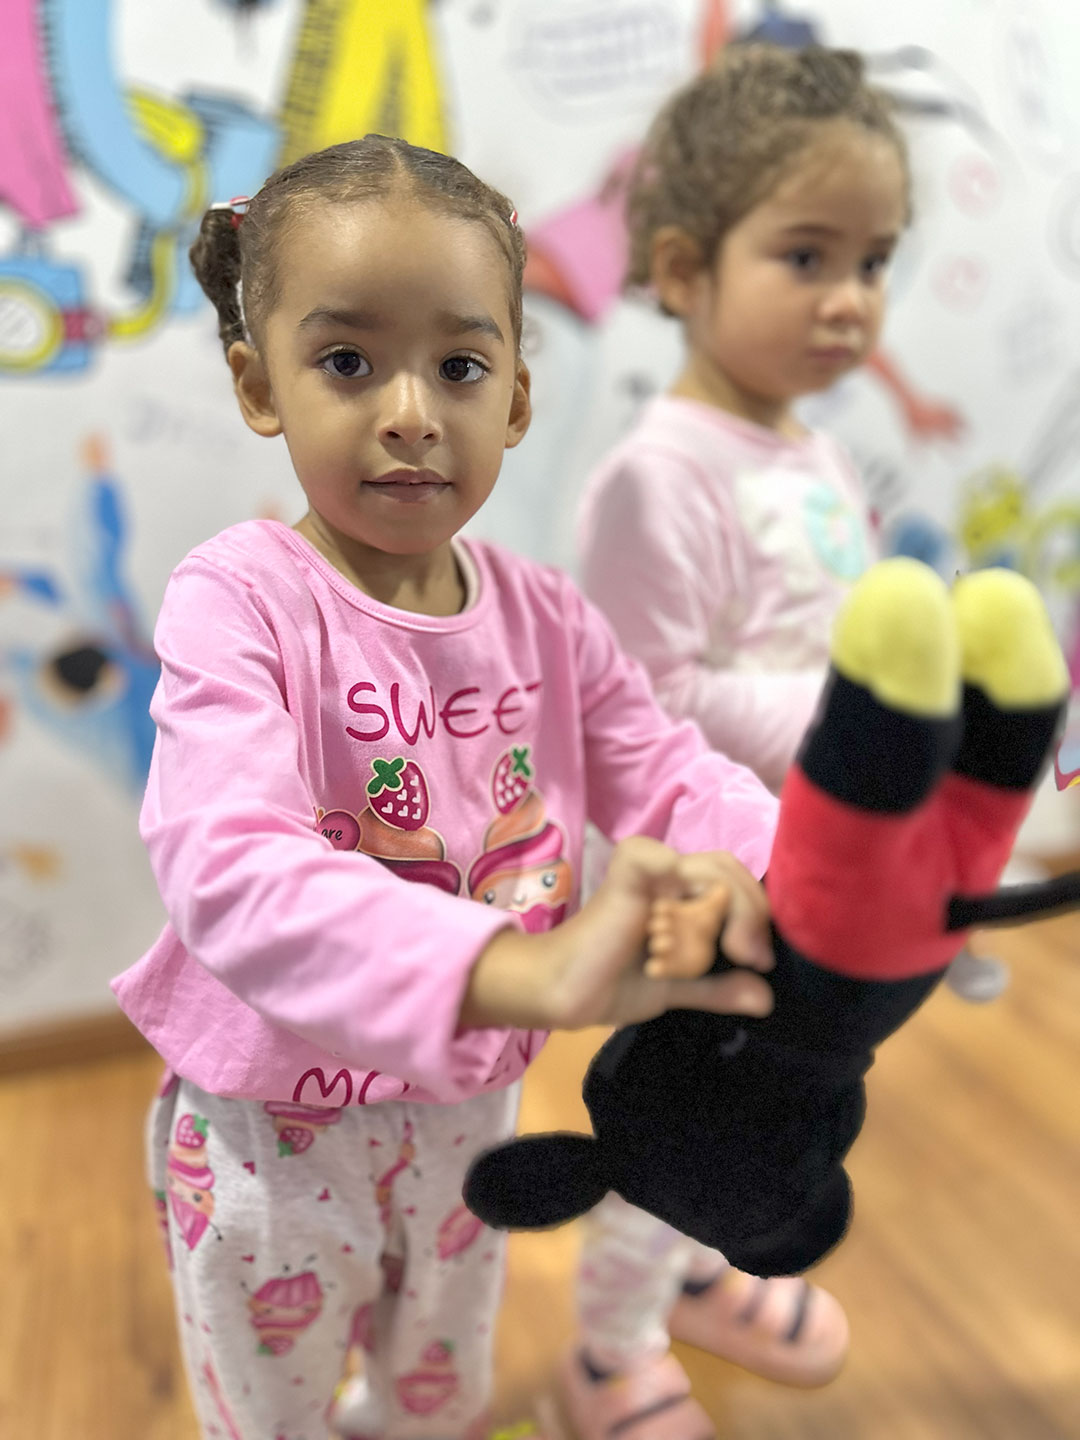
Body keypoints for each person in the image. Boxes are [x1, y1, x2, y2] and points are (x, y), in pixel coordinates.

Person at [110, 134, 789, 1440]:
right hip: (270, 1139)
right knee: (272, 1419)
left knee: (440, 1392)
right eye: (347, 362)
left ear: (516, 401)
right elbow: (229, 868)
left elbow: (666, 772)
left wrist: (787, 871)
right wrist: (520, 969)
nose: (412, 411)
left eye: (461, 367)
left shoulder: (547, 617)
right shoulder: (238, 599)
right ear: (259, 385)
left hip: (468, 1114)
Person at [566, 43, 940, 1440]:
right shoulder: (657, 478)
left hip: (811, 882)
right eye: (806, 256)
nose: (850, 299)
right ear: (682, 268)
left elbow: (835, 641)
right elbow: (641, 704)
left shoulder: (818, 456)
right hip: (698, 890)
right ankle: (606, 1353)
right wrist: (858, 734)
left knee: (770, 1117)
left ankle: (701, 1271)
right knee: (681, 1132)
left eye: (873, 260)